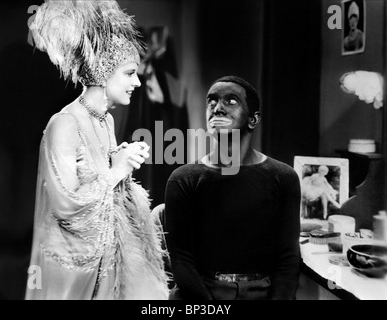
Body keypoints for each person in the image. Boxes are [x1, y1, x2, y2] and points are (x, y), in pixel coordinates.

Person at [25, 0, 169, 300]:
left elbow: (101, 177)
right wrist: (118, 169)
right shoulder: (64, 123)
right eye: (129, 73)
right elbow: (67, 205)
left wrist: (119, 159)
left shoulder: (105, 121)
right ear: (104, 74)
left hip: (107, 265)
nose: (137, 82)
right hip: (70, 274)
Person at [164, 76, 302, 300]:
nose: (217, 108)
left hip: (263, 293)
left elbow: (288, 259)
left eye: (231, 101)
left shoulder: (283, 177)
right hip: (202, 293)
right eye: (211, 101)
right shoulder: (184, 179)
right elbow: (181, 261)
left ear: (253, 120)